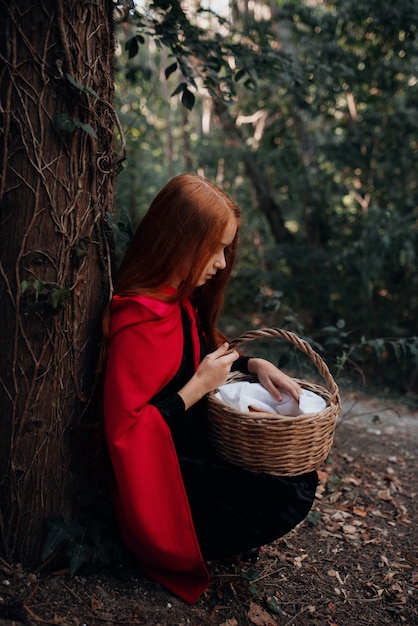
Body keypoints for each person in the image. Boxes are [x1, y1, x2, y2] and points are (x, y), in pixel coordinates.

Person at [102, 173, 318, 603]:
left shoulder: (174, 303)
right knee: (285, 493)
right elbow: (126, 433)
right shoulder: (139, 321)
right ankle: (204, 539)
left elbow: (200, 351)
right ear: (179, 241)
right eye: (216, 248)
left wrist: (255, 364)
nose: (221, 263)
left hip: (192, 454)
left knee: (294, 476)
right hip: (164, 483)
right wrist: (198, 387)